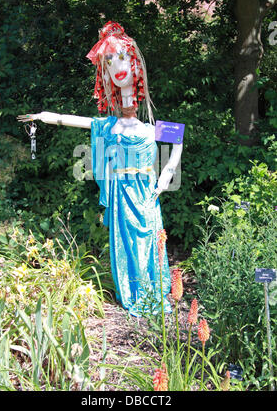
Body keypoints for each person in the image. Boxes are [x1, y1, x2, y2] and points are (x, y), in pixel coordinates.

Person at [17, 21, 183, 317]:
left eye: (120, 58)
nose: (116, 66)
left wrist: (167, 173)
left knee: (150, 240)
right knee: (127, 244)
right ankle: (133, 293)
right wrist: (44, 116)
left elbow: (178, 139)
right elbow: (74, 120)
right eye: (109, 60)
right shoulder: (108, 126)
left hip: (146, 192)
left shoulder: (151, 128)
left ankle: (154, 293)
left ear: (133, 63)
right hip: (121, 193)